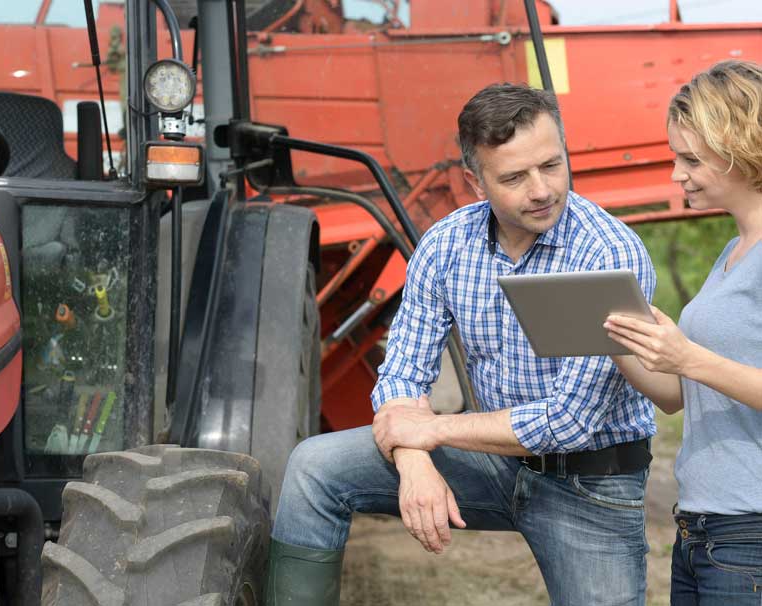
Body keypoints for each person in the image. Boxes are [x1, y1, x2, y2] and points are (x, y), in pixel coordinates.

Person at [264, 82, 658, 606]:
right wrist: (414, 460)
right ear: (476, 183)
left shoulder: (608, 253)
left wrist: (430, 430)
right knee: (315, 466)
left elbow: (569, 422)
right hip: (494, 462)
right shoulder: (448, 243)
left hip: (590, 482)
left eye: (552, 165)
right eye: (515, 177)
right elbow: (402, 374)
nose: (541, 190)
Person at [603, 60, 762, 606]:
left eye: (691, 158)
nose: (676, 173)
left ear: (742, 149)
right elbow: (676, 397)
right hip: (702, 531)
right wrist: (611, 335)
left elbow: (692, 367)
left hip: (751, 537)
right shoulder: (731, 255)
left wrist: (689, 357)